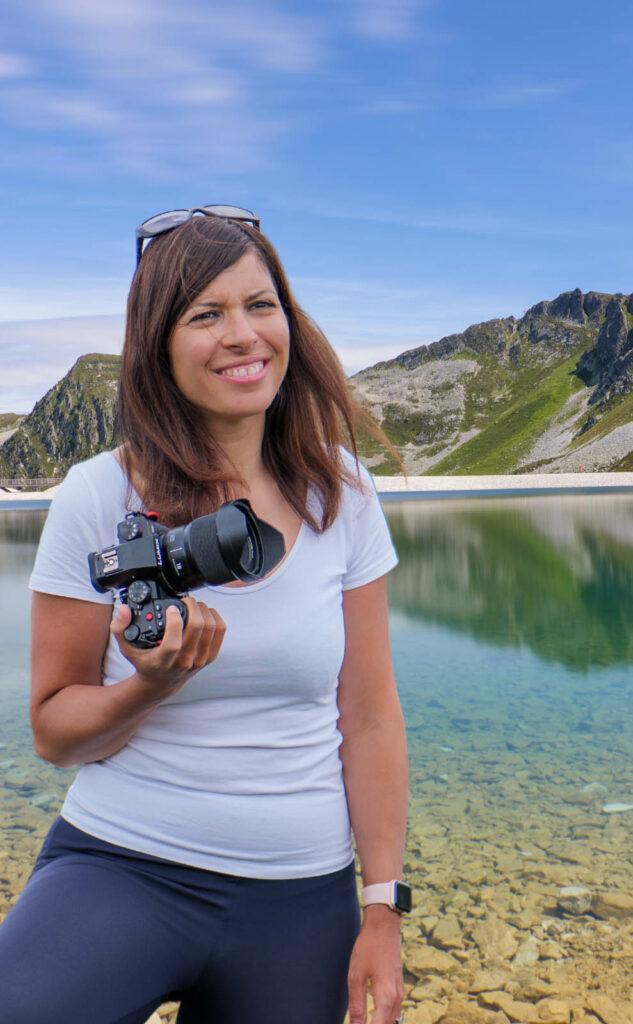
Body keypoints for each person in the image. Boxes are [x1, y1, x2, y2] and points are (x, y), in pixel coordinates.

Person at [0, 207, 409, 1024]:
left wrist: (381, 906)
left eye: (261, 305)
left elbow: (368, 718)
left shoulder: (344, 497)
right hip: (124, 866)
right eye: (205, 314)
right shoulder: (97, 495)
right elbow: (54, 733)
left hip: (300, 893)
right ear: (159, 342)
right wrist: (147, 686)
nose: (243, 335)